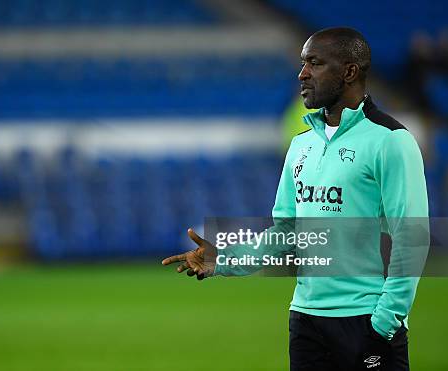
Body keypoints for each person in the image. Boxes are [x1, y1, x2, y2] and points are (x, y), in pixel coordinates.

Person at [163, 27, 428, 371]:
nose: (302, 74)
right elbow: (287, 232)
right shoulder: (301, 145)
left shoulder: (391, 141)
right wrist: (224, 261)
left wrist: (384, 322)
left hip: (365, 320)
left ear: (349, 71)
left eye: (315, 63)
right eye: (303, 64)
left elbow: (413, 236)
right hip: (306, 320)